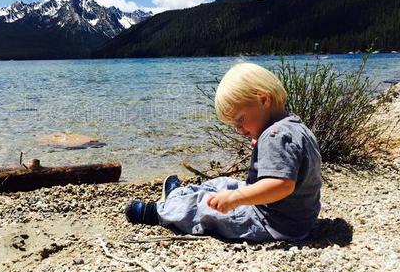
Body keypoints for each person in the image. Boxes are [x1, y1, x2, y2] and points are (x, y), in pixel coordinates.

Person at [125, 62, 322, 242]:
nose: (239, 129)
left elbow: (282, 185)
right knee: (222, 184)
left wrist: (237, 198)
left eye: (240, 120)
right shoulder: (293, 126)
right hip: (295, 219)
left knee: (205, 207)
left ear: (263, 99)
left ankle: (156, 212)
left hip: (270, 221)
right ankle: (178, 195)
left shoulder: (275, 136)